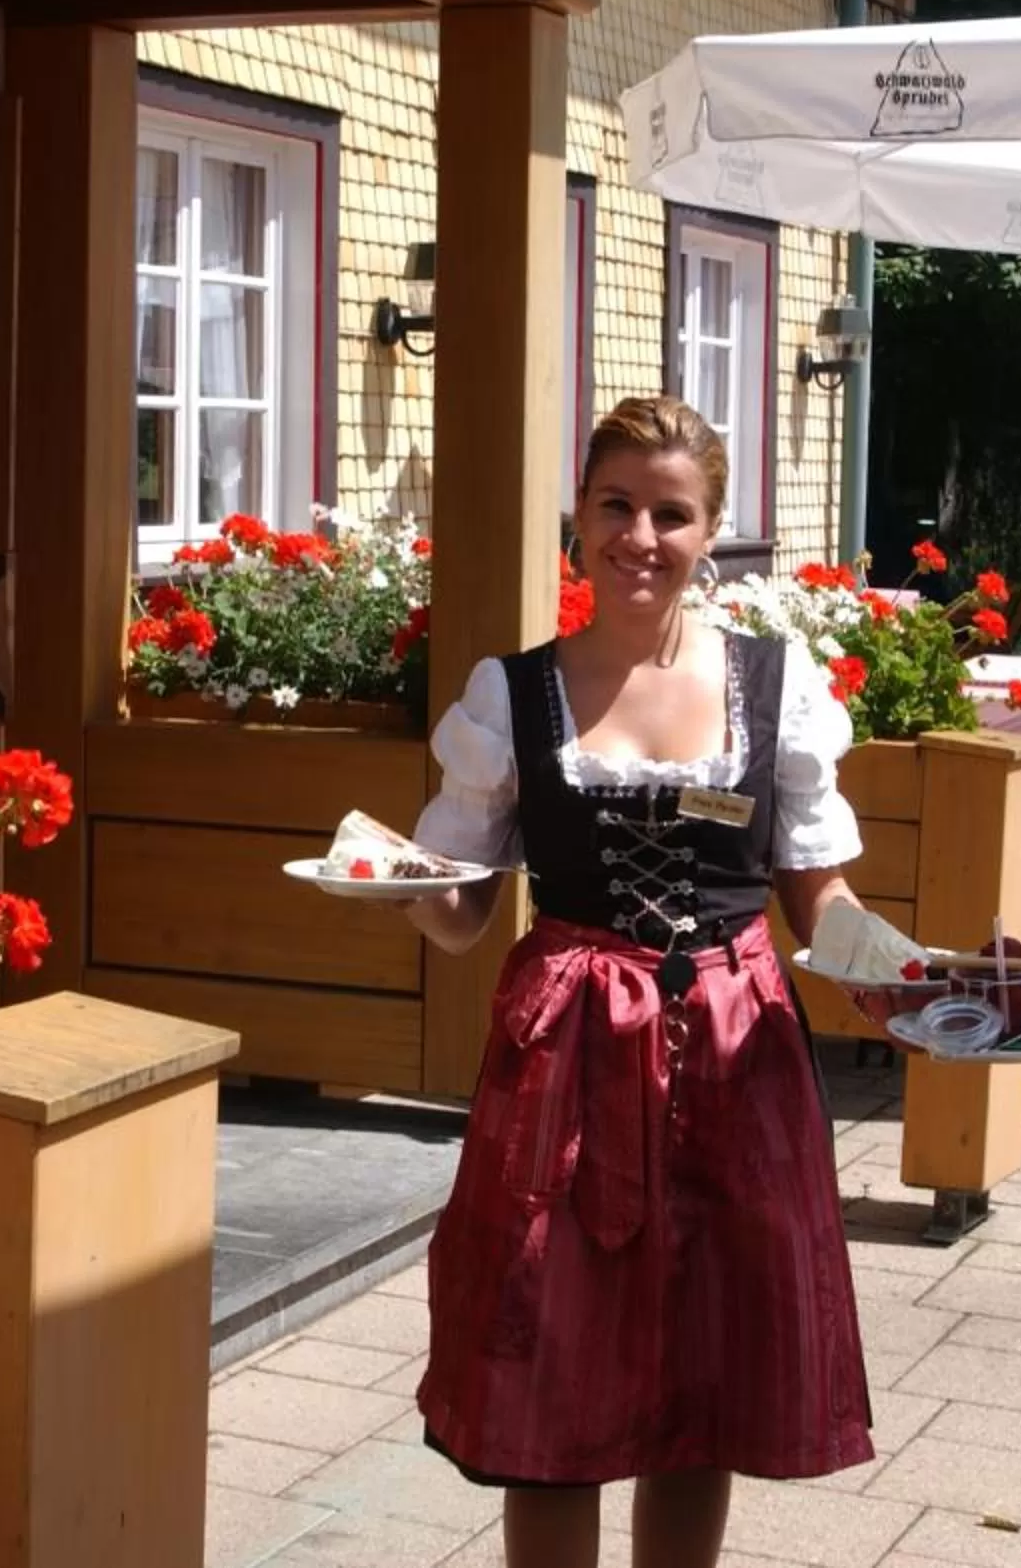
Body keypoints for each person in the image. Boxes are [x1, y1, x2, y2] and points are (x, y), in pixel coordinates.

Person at [403, 396, 873, 1567]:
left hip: (738, 1055)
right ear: (579, 515)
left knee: (704, 1380)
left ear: (711, 530)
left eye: (672, 513)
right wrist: (398, 883)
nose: (641, 537)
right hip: (566, 1060)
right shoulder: (512, 694)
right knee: (548, 1385)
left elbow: (819, 897)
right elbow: (460, 916)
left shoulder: (776, 686)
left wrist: (908, 979)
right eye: (617, 505)